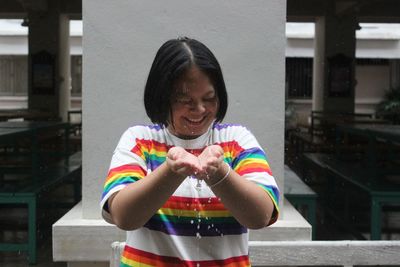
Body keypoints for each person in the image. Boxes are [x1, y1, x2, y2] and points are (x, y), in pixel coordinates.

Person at [100, 37, 280, 266]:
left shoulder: (236, 141)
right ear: (161, 96)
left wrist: (219, 172)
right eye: (184, 100)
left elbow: (260, 216)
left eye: (209, 98)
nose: (200, 109)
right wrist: (171, 171)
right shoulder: (140, 141)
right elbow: (123, 216)